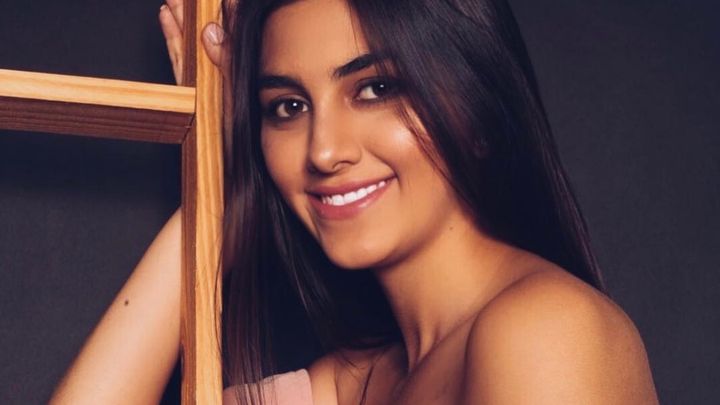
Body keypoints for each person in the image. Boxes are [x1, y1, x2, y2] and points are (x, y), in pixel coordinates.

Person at [50, 0, 659, 404]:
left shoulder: (545, 330)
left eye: (375, 88)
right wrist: (224, 179)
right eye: (288, 107)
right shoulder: (355, 384)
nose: (323, 151)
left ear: (475, 110)